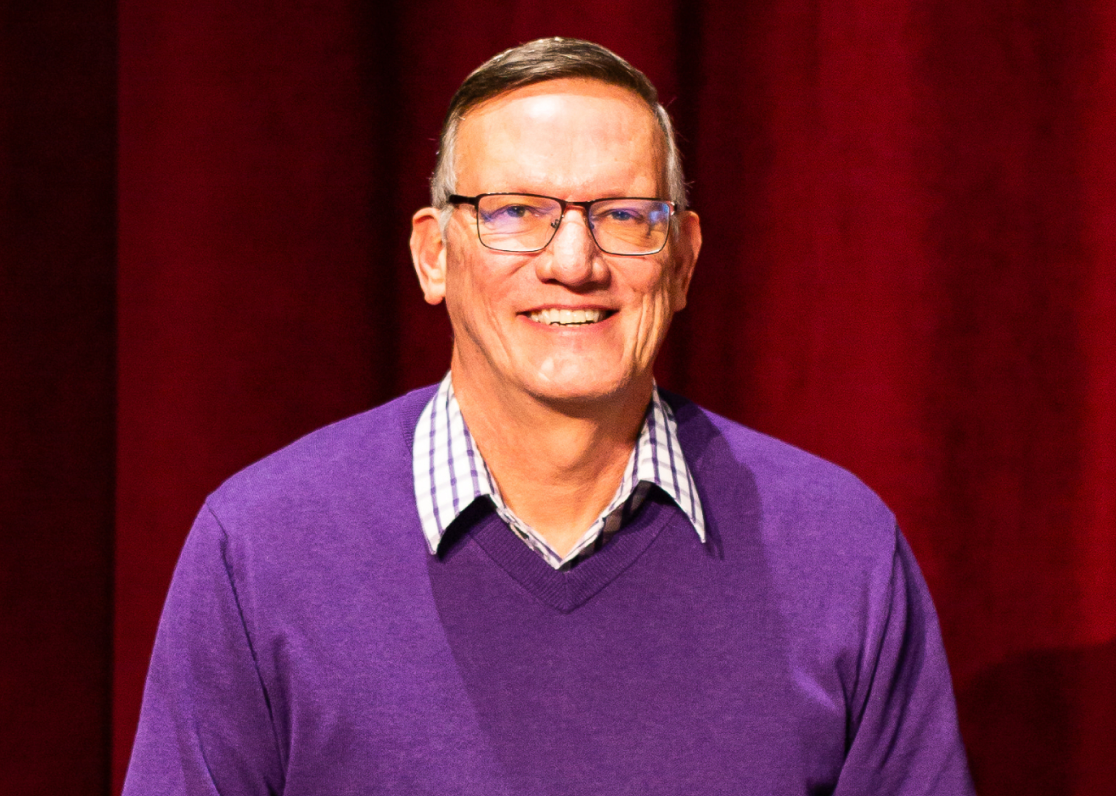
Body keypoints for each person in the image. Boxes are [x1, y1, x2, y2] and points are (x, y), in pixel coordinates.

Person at [124, 38, 975, 795]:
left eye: (625, 218)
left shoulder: (837, 548)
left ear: (682, 261)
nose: (574, 262)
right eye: (517, 213)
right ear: (433, 254)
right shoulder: (262, 547)